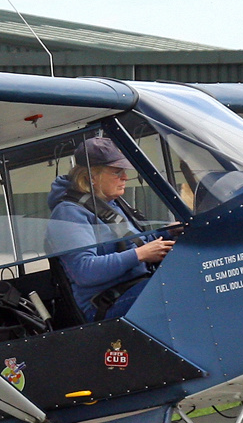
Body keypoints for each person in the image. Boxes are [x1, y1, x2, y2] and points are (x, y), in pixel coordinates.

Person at [46, 136, 175, 322]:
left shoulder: (110, 202)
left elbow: (134, 245)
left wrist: (166, 233)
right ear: (91, 177)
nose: (125, 177)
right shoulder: (68, 213)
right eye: (116, 172)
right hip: (108, 303)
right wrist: (140, 255)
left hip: (136, 286)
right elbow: (84, 271)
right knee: (179, 287)